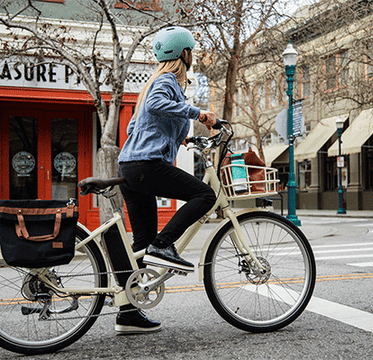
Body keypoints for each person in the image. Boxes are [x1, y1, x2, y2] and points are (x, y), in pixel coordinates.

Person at [115, 26, 217, 335]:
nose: (193, 56)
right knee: (205, 196)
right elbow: (156, 107)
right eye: (192, 51)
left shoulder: (153, 84)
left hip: (130, 168)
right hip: (146, 166)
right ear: (184, 54)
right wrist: (197, 114)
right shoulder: (166, 82)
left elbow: (138, 126)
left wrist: (180, 138)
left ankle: (128, 313)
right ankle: (165, 244)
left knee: (140, 245)